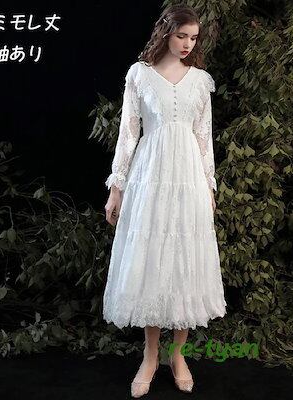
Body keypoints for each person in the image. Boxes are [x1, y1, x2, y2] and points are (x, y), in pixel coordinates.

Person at [103, 4, 227, 398]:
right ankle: (150, 355)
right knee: (152, 260)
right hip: (151, 176)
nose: (188, 43)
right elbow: (128, 132)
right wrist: (117, 186)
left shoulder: (201, 81)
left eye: (193, 38)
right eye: (181, 36)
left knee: (185, 261)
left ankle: (178, 355)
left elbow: (204, 138)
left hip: (189, 178)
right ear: (166, 33)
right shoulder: (139, 75)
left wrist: (209, 186)